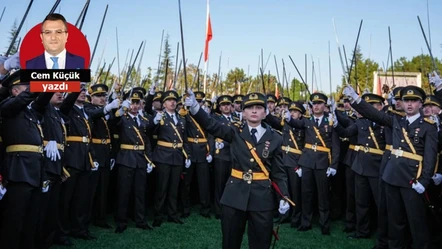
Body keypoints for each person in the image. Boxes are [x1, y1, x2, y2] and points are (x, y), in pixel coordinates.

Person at [185, 90, 291, 249]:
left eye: (258, 107)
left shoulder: (275, 137)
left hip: (262, 197)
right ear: (243, 112)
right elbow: (211, 125)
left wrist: (284, 195)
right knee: (230, 242)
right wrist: (195, 107)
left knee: (261, 243)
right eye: (249, 108)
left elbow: (278, 172)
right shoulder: (234, 131)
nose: (254, 111)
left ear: (265, 113)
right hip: (234, 194)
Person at [343, 84, 437, 249]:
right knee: (395, 220)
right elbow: (374, 114)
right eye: (406, 100)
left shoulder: (428, 126)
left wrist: (424, 181)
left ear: (421, 104)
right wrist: (356, 99)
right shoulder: (396, 120)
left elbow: (430, 157)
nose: (409, 104)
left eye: (414, 101)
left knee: (416, 220)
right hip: (391, 177)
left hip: (412, 179)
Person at [0, 71, 54, 249]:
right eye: (27, 86)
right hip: (19, 170)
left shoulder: (31, 113)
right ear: (15, 91)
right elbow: (22, 100)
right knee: (15, 221)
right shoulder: (8, 106)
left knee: (31, 220)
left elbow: (44, 98)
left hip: (35, 170)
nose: (32, 89)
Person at [284, 92, 340, 235]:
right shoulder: (307, 121)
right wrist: (288, 118)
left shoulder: (331, 121)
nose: (316, 106)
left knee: (323, 196)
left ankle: (324, 224)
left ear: (324, 106)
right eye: (314, 104)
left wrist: (333, 165)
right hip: (307, 161)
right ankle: (305, 222)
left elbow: (335, 146)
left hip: (322, 163)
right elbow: (296, 123)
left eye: (319, 103)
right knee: (306, 194)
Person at [334, 93, 386, 239]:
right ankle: (362, 230)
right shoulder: (360, 122)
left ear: (380, 107)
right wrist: (336, 124)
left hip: (377, 167)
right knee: (360, 202)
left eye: (372, 106)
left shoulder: (384, 123)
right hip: (360, 166)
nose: (368, 109)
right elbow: (346, 132)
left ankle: (383, 235)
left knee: (380, 204)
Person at [112, 90, 155, 233]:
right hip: (126, 158)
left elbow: (147, 141)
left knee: (140, 191)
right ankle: (121, 221)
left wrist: (149, 159)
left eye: (137, 103)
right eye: (132, 103)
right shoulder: (122, 118)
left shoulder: (143, 121)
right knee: (124, 191)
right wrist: (120, 108)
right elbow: (113, 122)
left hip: (140, 159)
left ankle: (140, 220)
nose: (135, 106)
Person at [151, 90, 191, 227]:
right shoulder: (160, 117)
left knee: (174, 188)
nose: (172, 102)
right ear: (164, 104)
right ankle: (158, 215)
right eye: (169, 100)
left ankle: (172, 214)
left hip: (177, 156)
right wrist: (155, 122)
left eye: (174, 100)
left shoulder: (181, 118)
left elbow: (184, 139)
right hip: (163, 155)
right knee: (161, 188)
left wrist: (187, 155)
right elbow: (150, 132)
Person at [84, 84, 120, 229]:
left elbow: (112, 128)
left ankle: (100, 218)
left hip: (105, 152)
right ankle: (86, 219)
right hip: (94, 152)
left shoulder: (107, 111)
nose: (102, 99)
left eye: (104, 96)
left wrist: (119, 111)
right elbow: (94, 115)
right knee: (90, 190)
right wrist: (108, 107)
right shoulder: (88, 108)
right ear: (91, 97)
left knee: (103, 189)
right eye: (98, 96)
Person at [266, 101, 306, 229]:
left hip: (295, 161)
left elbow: (306, 146)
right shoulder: (285, 123)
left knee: (295, 191)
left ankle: (296, 217)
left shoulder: (304, 126)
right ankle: (284, 215)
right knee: (284, 190)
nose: (292, 113)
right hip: (283, 159)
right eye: (291, 111)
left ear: (300, 114)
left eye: (295, 112)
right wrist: (267, 112)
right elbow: (274, 123)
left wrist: (301, 164)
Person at [181, 91, 212, 219]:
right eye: (196, 101)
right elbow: (182, 133)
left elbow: (211, 133)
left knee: (204, 182)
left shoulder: (204, 115)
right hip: (190, 149)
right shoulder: (185, 114)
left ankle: (205, 208)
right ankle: (185, 207)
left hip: (203, 150)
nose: (198, 103)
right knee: (186, 182)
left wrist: (210, 150)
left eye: (200, 102)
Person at [209, 95, 240, 219]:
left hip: (233, 155)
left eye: (228, 104)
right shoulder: (216, 119)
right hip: (221, 155)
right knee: (220, 184)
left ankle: (230, 209)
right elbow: (211, 135)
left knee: (232, 185)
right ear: (220, 107)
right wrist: (211, 151)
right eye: (223, 105)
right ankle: (218, 210)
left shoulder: (236, 118)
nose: (226, 107)